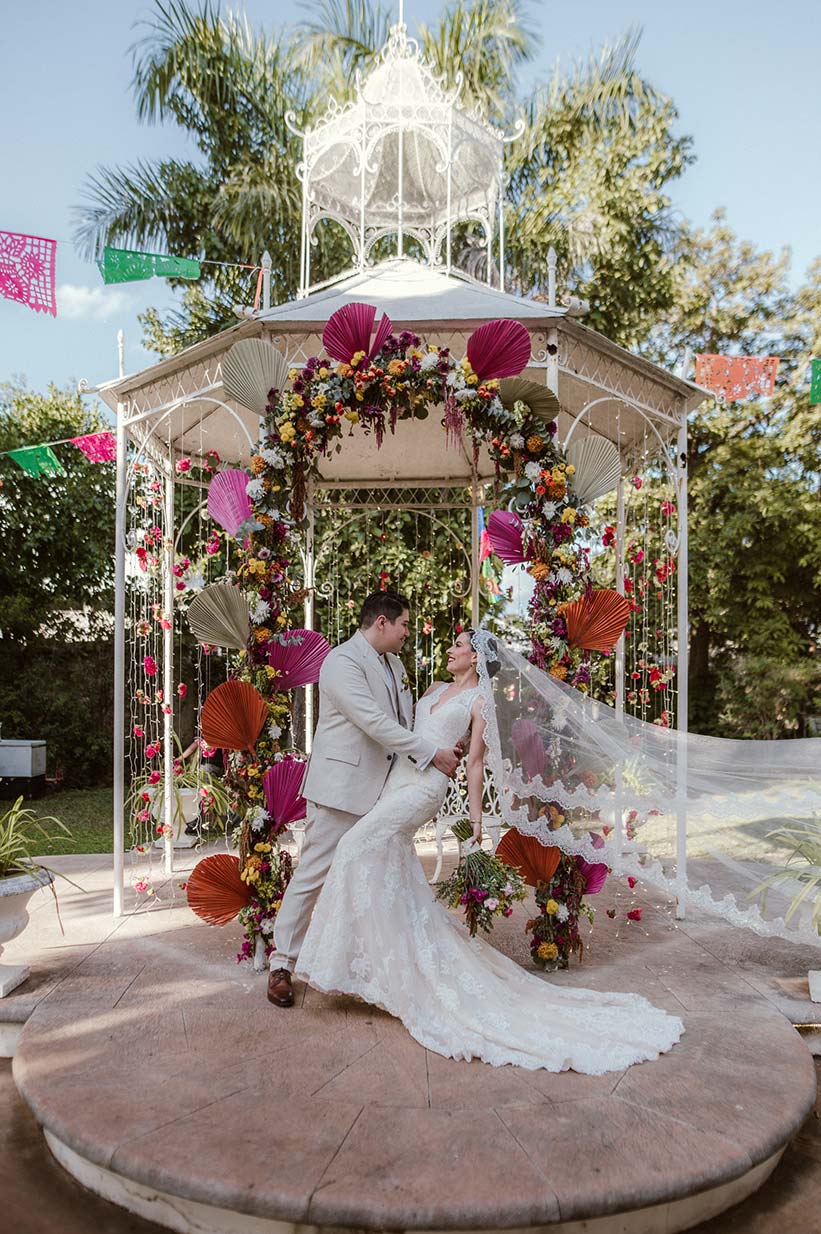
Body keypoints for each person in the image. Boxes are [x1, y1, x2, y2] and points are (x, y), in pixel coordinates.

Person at [291, 628, 685, 1074]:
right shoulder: (435, 689)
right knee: (385, 862)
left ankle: (351, 960)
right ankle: (386, 963)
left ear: (476, 659)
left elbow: (474, 763)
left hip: (424, 789)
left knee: (355, 847)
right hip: (394, 782)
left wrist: (476, 824)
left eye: (458, 645)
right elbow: (404, 733)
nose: (450, 649)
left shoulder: (479, 701)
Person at [267, 591, 463, 1008]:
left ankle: (359, 964)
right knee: (313, 875)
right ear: (382, 623)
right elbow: (373, 721)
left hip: (385, 790)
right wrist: (430, 753)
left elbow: (406, 720)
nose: (408, 632)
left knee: (368, 879)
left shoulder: (394, 664)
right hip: (342, 788)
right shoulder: (341, 662)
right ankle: (281, 963)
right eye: (405, 625)